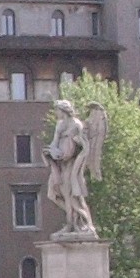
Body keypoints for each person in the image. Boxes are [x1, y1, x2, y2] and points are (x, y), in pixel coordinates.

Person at [43, 100, 105, 235]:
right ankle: (75, 220)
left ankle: (79, 224)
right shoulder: (60, 124)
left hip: (72, 165)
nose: (56, 113)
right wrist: (50, 151)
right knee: (52, 194)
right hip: (60, 164)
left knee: (72, 196)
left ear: (63, 110)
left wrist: (77, 144)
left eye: (57, 110)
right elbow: (54, 143)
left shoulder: (77, 125)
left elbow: (84, 147)